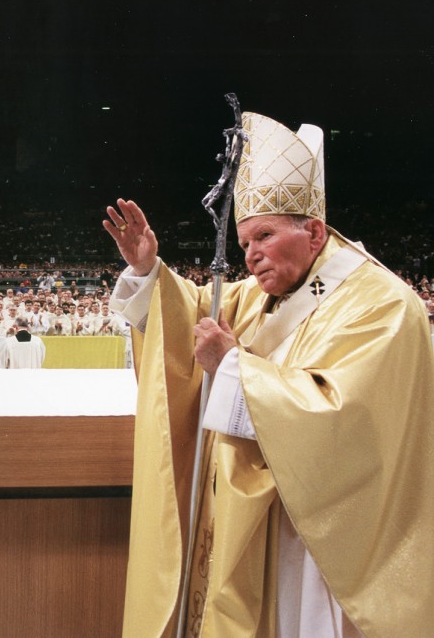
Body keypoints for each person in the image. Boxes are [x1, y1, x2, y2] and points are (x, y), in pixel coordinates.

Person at [103, 111, 433, 637]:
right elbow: (197, 311)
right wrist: (148, 272)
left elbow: (347, 422)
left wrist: (233, 368)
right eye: (244, 245)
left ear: (315, 232)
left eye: (264, 236)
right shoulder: (262, 294)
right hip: (253, 530)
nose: (251, 257)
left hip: (325, 541)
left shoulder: (383, 304)